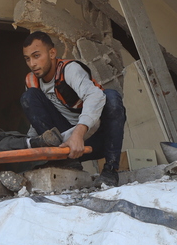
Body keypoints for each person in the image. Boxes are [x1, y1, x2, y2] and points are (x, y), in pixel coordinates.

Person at [20, 31, 127, 187]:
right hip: (65, 145)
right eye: (27, 59)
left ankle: (110, 171)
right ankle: (64, 162)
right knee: (28, 97)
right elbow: (36, 118)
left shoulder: (69, 70)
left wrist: (78, 134)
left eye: (36, 56)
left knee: (111, 97)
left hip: (94, 139)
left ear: (52, 53)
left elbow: (95, 96)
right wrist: (28, 146)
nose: (32, 64)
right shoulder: (31, 80)